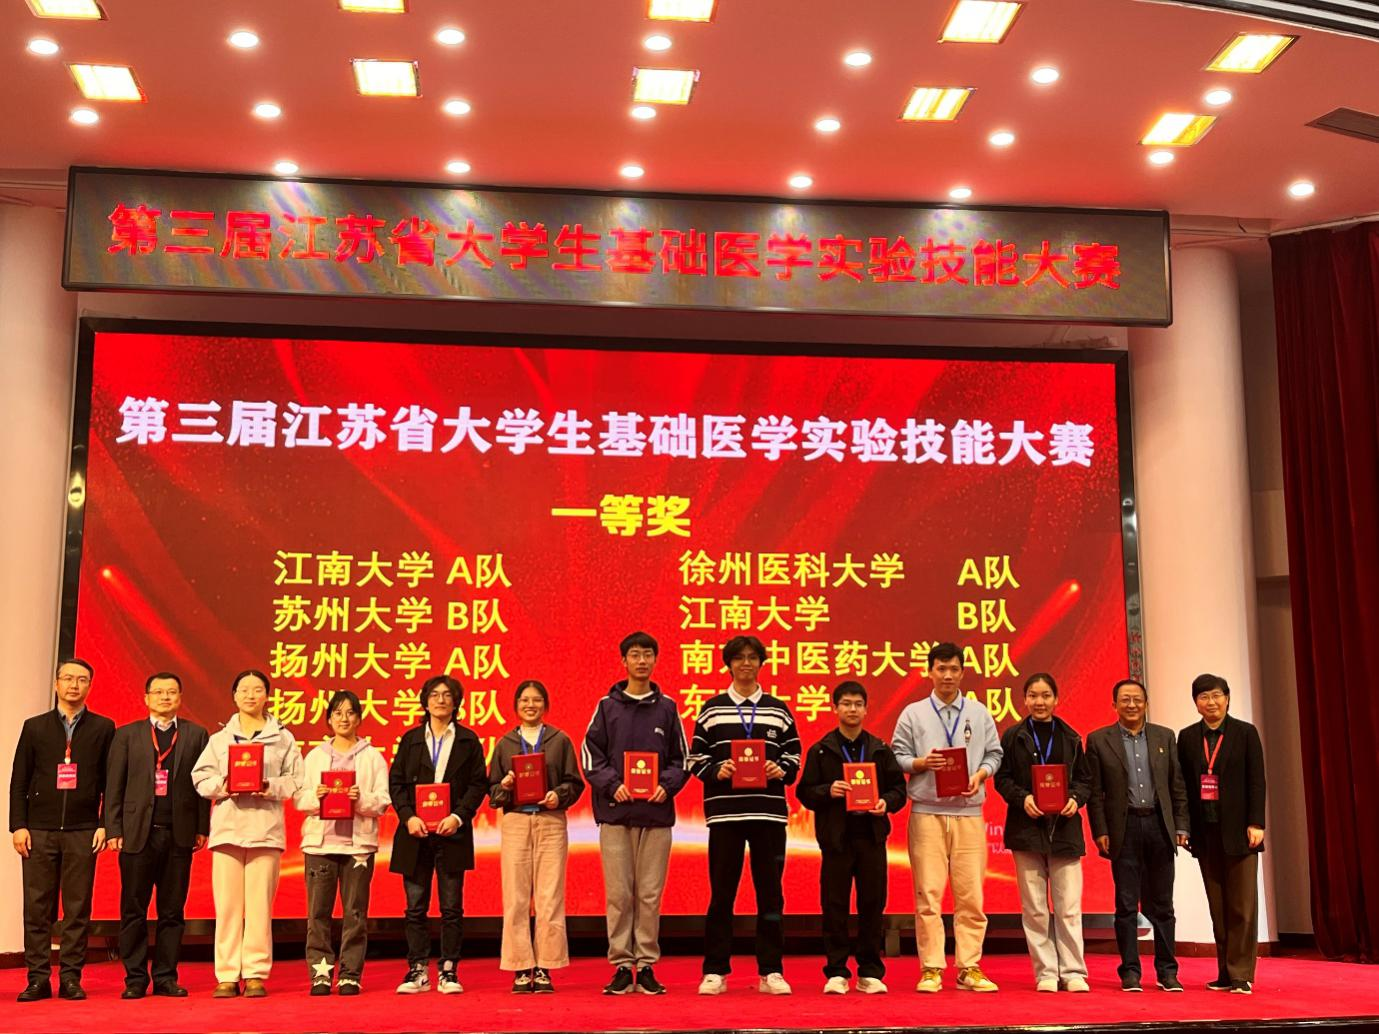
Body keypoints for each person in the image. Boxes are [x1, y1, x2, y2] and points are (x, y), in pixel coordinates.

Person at [689, 634, 802, 997]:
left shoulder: (778, 709)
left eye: (753, 657)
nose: (746, 664)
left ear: (762, 663)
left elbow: (794, 755)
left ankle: (771, 971)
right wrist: (717, 769)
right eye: (739, 658)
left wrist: (780, 768)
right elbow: (695, 758)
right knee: (722, 894)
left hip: (768, 814)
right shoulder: (712, 708)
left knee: (771, 895)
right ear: (729, 664)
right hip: (725, 815)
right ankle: (715, 970)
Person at [891, 641, 1004, 993]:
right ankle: (931, 968)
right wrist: (921, 763)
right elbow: (896, 756)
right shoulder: (913, 713)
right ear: (929, 672)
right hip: (927, 812)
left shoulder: (979, 712)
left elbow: (995, 754)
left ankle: (969, 965)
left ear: (962, 672)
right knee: (928, 893)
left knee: (971, 894)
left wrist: (981, 774)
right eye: (941, 669)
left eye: (954, 669)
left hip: (969, 813)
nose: (948, 675)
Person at [580, 631, 688, 996]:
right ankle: (622, 965)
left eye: (648, 655)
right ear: (623, 661)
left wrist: (666, 786)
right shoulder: (606, 707)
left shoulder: (668, 708)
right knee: (619, 894)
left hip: (656, 815)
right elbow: (591, 754)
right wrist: (612, 785)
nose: (642, 661)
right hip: (616, 815)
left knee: (650, 894)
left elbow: (681, 758)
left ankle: (647, 964)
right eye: (635, 655)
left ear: (656, 660)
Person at [191, 669, 305, 998]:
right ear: (234, 696)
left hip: (265, 830)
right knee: (227, 907)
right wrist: (225, 785)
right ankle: (227, 974)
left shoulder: (283, 738)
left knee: (259, 908)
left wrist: (268, 786)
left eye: (257, 690)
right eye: (244, 690)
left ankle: (255, 973)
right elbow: (200, 779)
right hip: (228, 829)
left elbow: (296, 780)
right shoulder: (220, 739)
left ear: (267, 695)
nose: (250, 695)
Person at [9, 658, 115, 1002]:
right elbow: (19, 780)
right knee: (37, 908)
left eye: (82, 680)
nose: (74, 685)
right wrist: (18, 825)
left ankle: (71, 978)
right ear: (56, 684)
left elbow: (110, 782)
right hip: (38, 831)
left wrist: (105, 824)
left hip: (83, 831)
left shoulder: (103, 728)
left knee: (77, 908)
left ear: (90, 686)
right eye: (68, 678)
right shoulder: (35, 727)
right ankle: (37, 978)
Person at [796, 680, 907, 995]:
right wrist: (827, 790)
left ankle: (870, 971)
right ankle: (836, 971)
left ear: (866, 709)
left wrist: (886, 802)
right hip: (836, 839)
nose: (852, 709)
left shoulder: (880, 749)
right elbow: (804, 792)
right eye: (846, 703)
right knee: (835, 905)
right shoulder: (821, 749)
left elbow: (899, 790)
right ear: (835, 708)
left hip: (871, 837)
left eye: (858, 704)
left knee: (872, 904)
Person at [105, 672, 210, 998]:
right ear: (146, 698)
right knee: (133, 909)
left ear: (180, 697)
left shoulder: (196, 735)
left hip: (179, 835)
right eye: (159, 692)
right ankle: (135, 979)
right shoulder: (127, 735)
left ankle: (165, 977)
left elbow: (202, 786)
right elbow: (114, 785)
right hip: (137, 834)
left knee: (172, 911)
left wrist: (201, 827)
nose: (165, 697)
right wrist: (113, 828)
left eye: (172, 692)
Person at [1086, 678, 1190, 993]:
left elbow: (1176, 785)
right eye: (1125, 700)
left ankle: (1167, 971)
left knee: (1164, 905)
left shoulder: (1164, 737)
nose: (1132, 705)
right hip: (1124, 828)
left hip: (1159, 826)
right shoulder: (1099, 740)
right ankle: (1130, 972)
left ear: (1146, 703)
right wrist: (1101, 830)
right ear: (1114, 704)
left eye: (1137, 699)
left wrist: (1181, 826)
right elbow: (1095, 793)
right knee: (1126, 904)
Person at [993, 672, 1093, 993]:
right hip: (1026, 831)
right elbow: (1002, 779)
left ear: (1056, 699)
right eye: (1033, 696)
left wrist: (1075, 799)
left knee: (1068, 907)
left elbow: (1085, 780)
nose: (1040, 702)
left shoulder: (1071, 737)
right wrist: (1022, 799)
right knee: (1035, 908)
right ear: (1024, 699)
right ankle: (1046, 972)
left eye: (1046, 695)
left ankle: (1073, 971)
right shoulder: (1013, 737)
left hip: (1065, 830)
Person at [389, 674, 489, 995]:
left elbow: (478, 784)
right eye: (435, 694)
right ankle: (417, 969)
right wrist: (408, 817)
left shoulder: (468, 740)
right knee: (415, 907)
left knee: (451, 908)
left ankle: (449, 969)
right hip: (415, 833)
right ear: (425, 701)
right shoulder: (411, 739)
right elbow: (396, 783)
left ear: (456, 702)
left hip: (452, 832)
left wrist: (458, 816)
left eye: (447, 695)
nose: (441, 700)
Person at [490, 679, 585, 993]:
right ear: (516, 706)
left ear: (545, 705)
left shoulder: (560, 740)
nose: (530, 705)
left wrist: (559, 795)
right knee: (516, 897)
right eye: (524, 700)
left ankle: (545, 966)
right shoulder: (505, 743)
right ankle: (520, 967)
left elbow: (575, 783)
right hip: (516, 822)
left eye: (536, 700)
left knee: (549, 897)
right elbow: (492, 790)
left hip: (551, 822)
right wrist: (505, 786)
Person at [294, 690, 391, 995]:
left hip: (358, 847)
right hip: (320, 845)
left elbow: (383, 801)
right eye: (337, 713)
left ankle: (350, 973)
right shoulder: (315, 756)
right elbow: (299, 799)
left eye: (350, 713)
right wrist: (316, 797)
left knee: (355, 913)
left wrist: (360, 799)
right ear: (329, 719)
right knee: (318, 913)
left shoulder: (372, 757)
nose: (344, 719)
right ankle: (320, 974)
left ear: (359, 718)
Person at [1177, 673, 1266, 994]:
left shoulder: (1245, 733)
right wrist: (1184, 826)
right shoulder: (1187, 737)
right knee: (1218, 907)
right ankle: (1226, 972)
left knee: (1241, 906)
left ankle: (1242, 974)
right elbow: (1182, 786)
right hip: (1205, 833)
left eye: (1216, 695)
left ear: (1227, 698)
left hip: (1241, 832)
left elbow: (1257, 781)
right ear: (1196, 703)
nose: (1211, 702)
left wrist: (1257, 823)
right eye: (1203, 697)